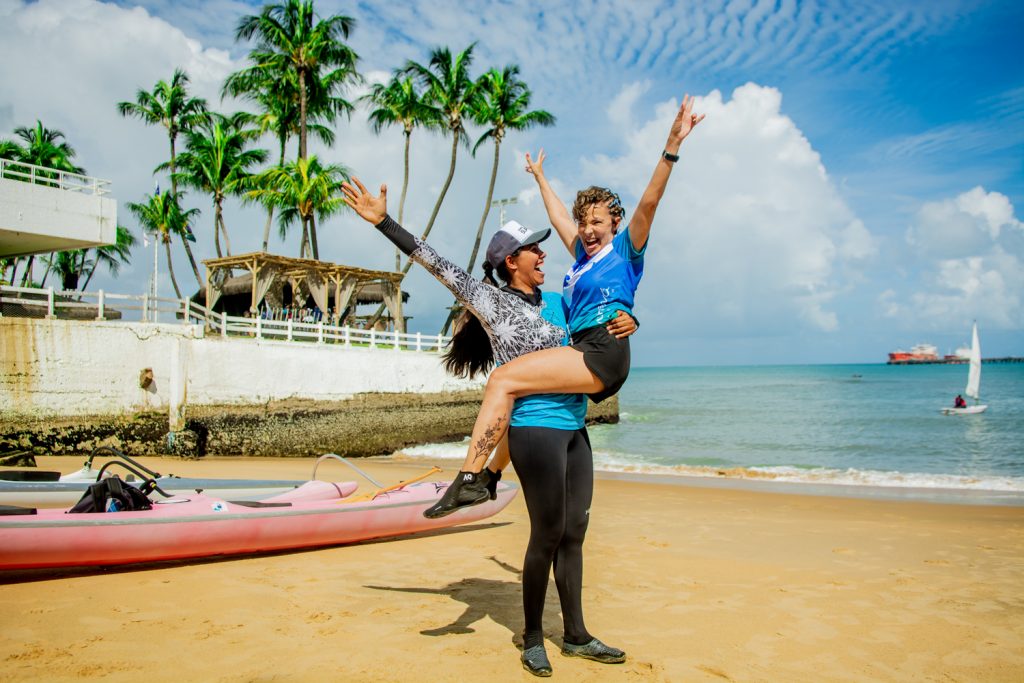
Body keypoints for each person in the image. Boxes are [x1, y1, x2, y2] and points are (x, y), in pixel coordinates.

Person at [341, 179, 633, 675]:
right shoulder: (492, 304)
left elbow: (597, 325)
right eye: (532, 249)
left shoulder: (559, 304)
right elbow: (436, 264)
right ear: (510, 262)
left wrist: (627, 322)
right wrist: (384, 222)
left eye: (542, 247)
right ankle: (534, 637)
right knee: (547, 533)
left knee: (576, 532)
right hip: (534, 431)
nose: (543, 254)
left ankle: (578, 634)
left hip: (574, 428)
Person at [425, 93, 704, 517]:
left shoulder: (626, 250)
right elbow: (558, 218)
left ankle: (469, 480)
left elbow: (650, 201)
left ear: (615, 223)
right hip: (586, 349)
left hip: (603, 351)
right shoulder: (581, 258)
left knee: (503, 380)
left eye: (598, 222)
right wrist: (539, 178)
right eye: (584, 222)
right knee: (519, 395)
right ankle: (489, 478)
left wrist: (672, 147)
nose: (588, 230)